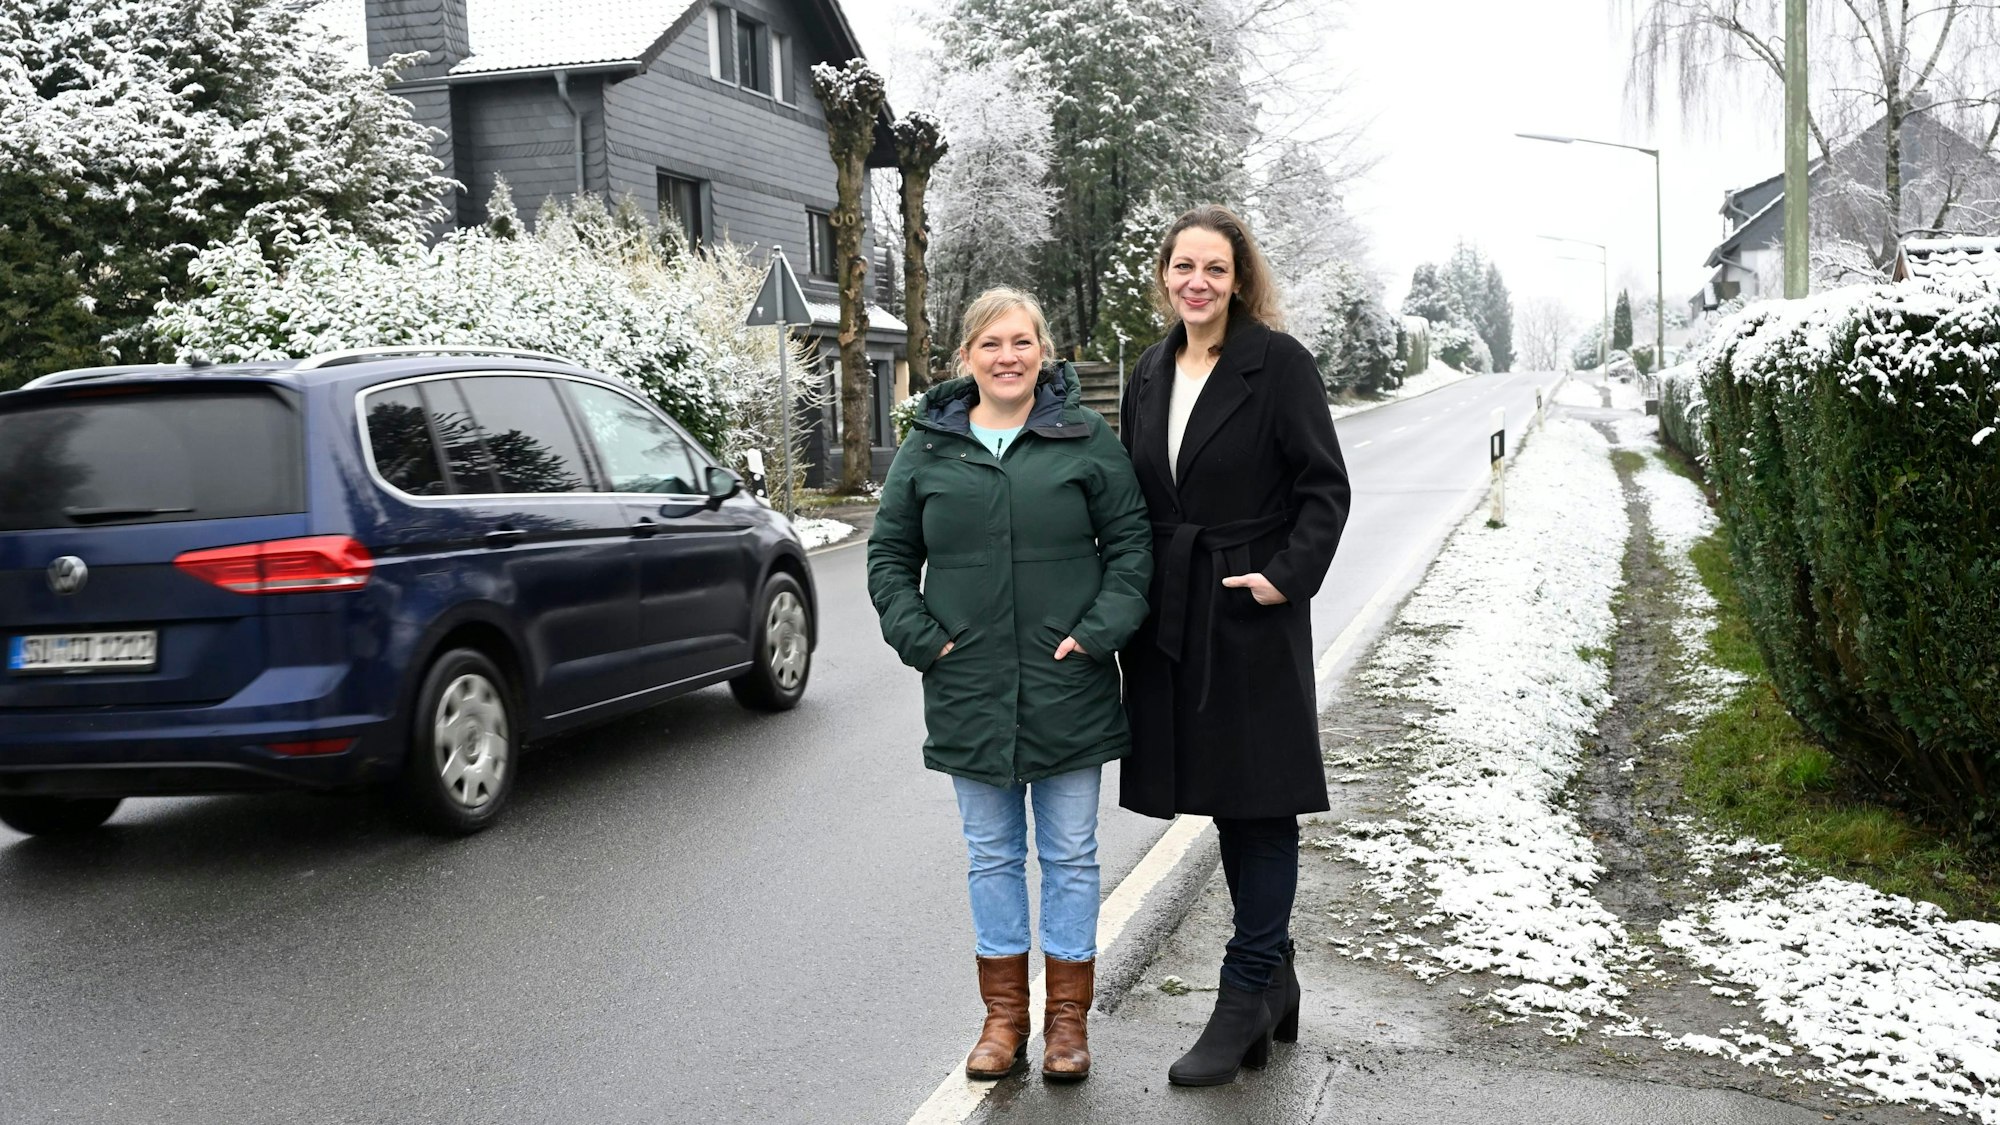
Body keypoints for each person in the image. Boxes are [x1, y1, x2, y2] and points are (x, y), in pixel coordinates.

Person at [868, 287, 1153, 1082]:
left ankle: (1067, 1022)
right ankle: (1003, 1019)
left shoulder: (1083, 437)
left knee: (1070, 852)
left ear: (1043, 352)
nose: (1008, 356)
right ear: (967, 357)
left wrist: (1097, 634)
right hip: (968, 684)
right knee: (992, 855)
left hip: (1070, 682)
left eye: (1022, 342)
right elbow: (889, 556)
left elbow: (1132, 543)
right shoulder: (929, 446)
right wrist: (924, 641)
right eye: (992, 343)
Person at [1116, 205, 1351, 1086]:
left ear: (1239, 278)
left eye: (1214, 268)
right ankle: (1277, 971)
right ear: (1166, 274)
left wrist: (1285, 575)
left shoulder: (1278, 364)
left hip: (1250, 602)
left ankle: (1245, 986)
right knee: (1226, 797)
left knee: (1264, 800)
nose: (1197, 282)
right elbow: (1133, 488)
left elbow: (1325, 487)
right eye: (1183, 266)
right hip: (1176, 608)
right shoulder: (1150, 369)